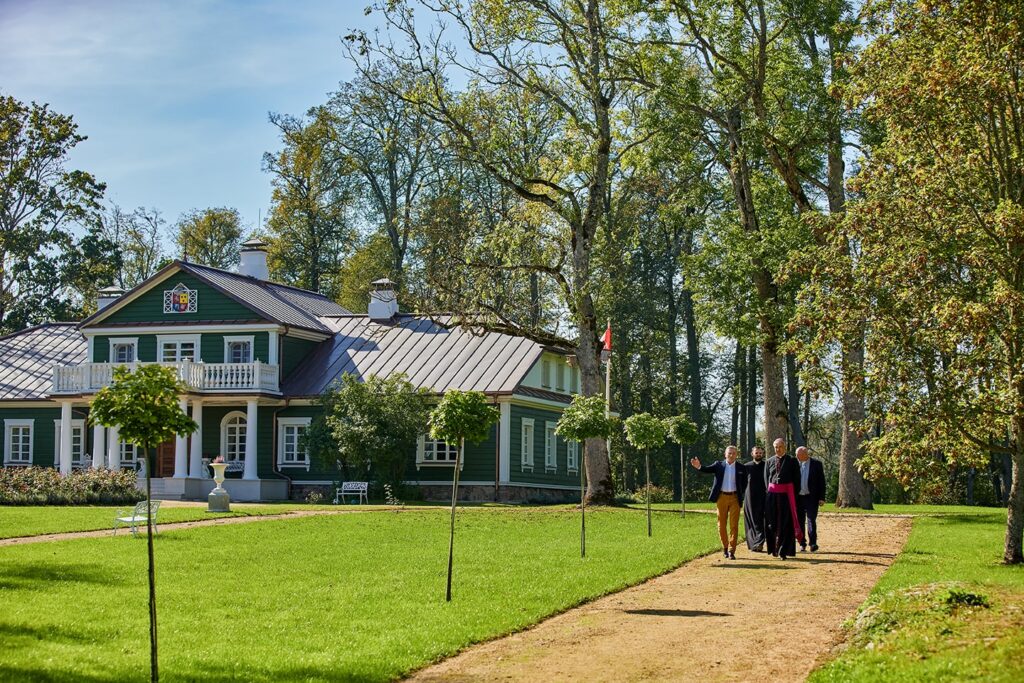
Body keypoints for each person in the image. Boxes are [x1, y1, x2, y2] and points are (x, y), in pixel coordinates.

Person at [690, 445, 747, 560]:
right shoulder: (718, 465)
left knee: (734, 525)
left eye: (733, 453)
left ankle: (731, 550)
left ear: (736, 455)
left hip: (735, 498)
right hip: (722, 497)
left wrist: (740, 494)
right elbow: (707, 469)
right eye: (729, 453)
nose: (731, 455)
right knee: (721, 524)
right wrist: (699, 466)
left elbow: (745, 483)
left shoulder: (741, 467)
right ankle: (725, 547)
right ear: (725, 454)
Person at [764, 438, 803, 559]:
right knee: (772, 523)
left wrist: (794, 495)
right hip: (772, 497)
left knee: (786, 523)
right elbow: (766, 479)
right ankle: (774, 549)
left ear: (784, 447)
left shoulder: (792, 461)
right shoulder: (769, 461)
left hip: (787, 496)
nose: (778, 449)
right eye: (776, 447)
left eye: (780, 446)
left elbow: (797, 479)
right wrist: (769, 494)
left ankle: (784, 550)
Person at [795, 446, 826, 552]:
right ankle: (802, 543)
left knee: (811, 519)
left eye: (798, 455)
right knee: (800, 521)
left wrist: (821, 497)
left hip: (811, 497)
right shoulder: (795, 464)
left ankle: (813, 543)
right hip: (798, 497)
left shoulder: (816, 464)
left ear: (805, 454)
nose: (797, 457)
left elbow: (821, 481)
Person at [743, 445, 767, 552]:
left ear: (763, 454)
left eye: (760, 453)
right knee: (751, 520)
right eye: (756, 453)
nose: (758, 455)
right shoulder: (746, 466)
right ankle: (754, 544)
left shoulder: (766, 466)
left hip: (764, 497)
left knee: (762, 520)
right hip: (750, 497)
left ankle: (760, 542)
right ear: (752, 454)